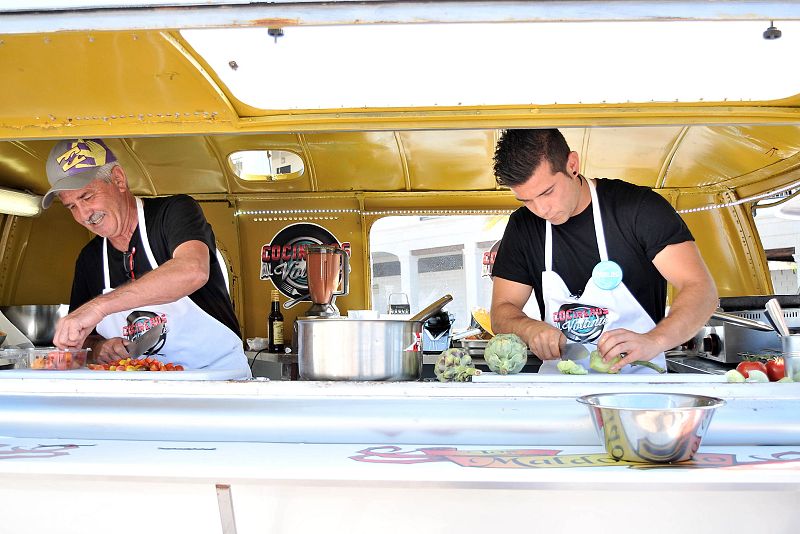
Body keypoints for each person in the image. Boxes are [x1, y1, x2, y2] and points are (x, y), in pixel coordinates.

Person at [490, 129, 718, 374]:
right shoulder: (523, 226)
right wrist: (528, 328)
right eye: (527, 200)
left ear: (572, 165)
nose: (541, 209)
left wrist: (655, 340)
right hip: (560, 388)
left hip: (639, 388)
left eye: (547, 192)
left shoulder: (639, 209)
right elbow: (503, 309)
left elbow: (701, 289)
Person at [42, 138, 251, 376]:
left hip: (215, 380)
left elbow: (192, 270)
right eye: (71, 207)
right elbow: (84, 341)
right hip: (141, 388)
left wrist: (100, 307)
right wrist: (100, 348)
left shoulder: (173, 213)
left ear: (119, 179)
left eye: (87, 197)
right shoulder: (90, 259)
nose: (83, 215)